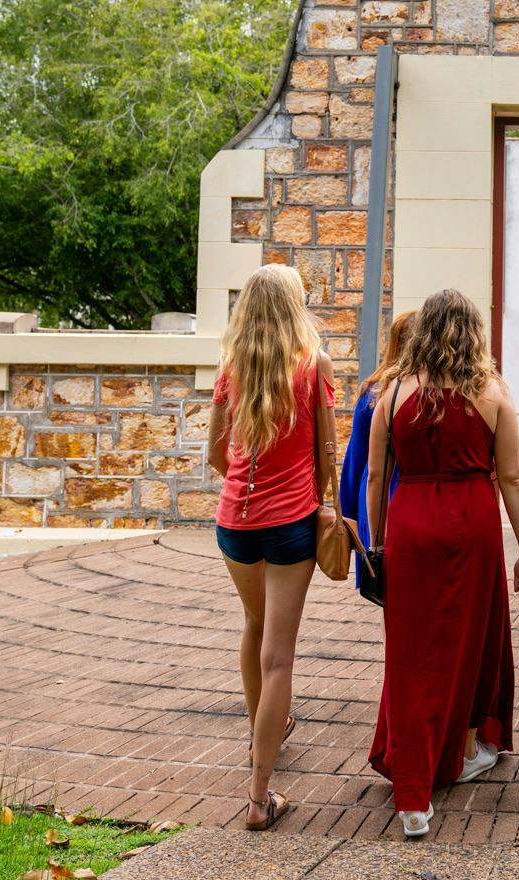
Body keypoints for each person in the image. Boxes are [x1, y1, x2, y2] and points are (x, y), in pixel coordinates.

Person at [365, 289, 519, 839]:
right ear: (473, 333)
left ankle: (413, 792)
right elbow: (512, 477)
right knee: (473, 641)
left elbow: (376, 476)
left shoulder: (394, 394)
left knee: (411, 652)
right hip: (472, 528)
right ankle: (462, 753)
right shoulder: (493, 393)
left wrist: (376, 544)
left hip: (411, 525)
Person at [206, 263, 338, 831]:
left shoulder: (231, 367)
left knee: (255, 626)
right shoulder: (314, 365)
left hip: (234, 521)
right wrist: (318, 498)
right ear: (294, 306)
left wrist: (249, 484)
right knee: (279, 654)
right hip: (290, 525)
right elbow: (327, 455)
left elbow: (216, 454)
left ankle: (263, 731)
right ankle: (260, 799)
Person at [337, 310, 415, 592]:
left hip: (372, 500)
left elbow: (355, 460)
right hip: (407, 494)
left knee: (384, 588)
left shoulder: (373, 392)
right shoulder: (427, 393)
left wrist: (346, 515)